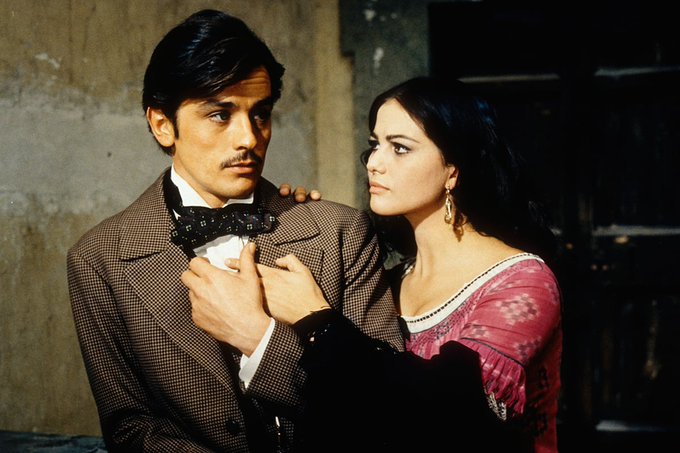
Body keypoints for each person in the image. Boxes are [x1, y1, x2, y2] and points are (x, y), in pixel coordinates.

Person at [66, 9, 403, 453]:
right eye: (220, 115)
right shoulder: (99, 258)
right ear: (162, 125)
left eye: (260, 114)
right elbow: (131, 431)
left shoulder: (338, 231)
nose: (249, 138)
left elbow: (388, 414)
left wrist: (259, 340)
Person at [185, 77, 562, 452]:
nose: (375, 164)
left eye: (400, 148)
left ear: (453, 169)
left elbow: (450, 417)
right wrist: (296, 217)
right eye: (374, 145)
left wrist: (316, 318)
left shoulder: (523, 283)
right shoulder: (391, 278)